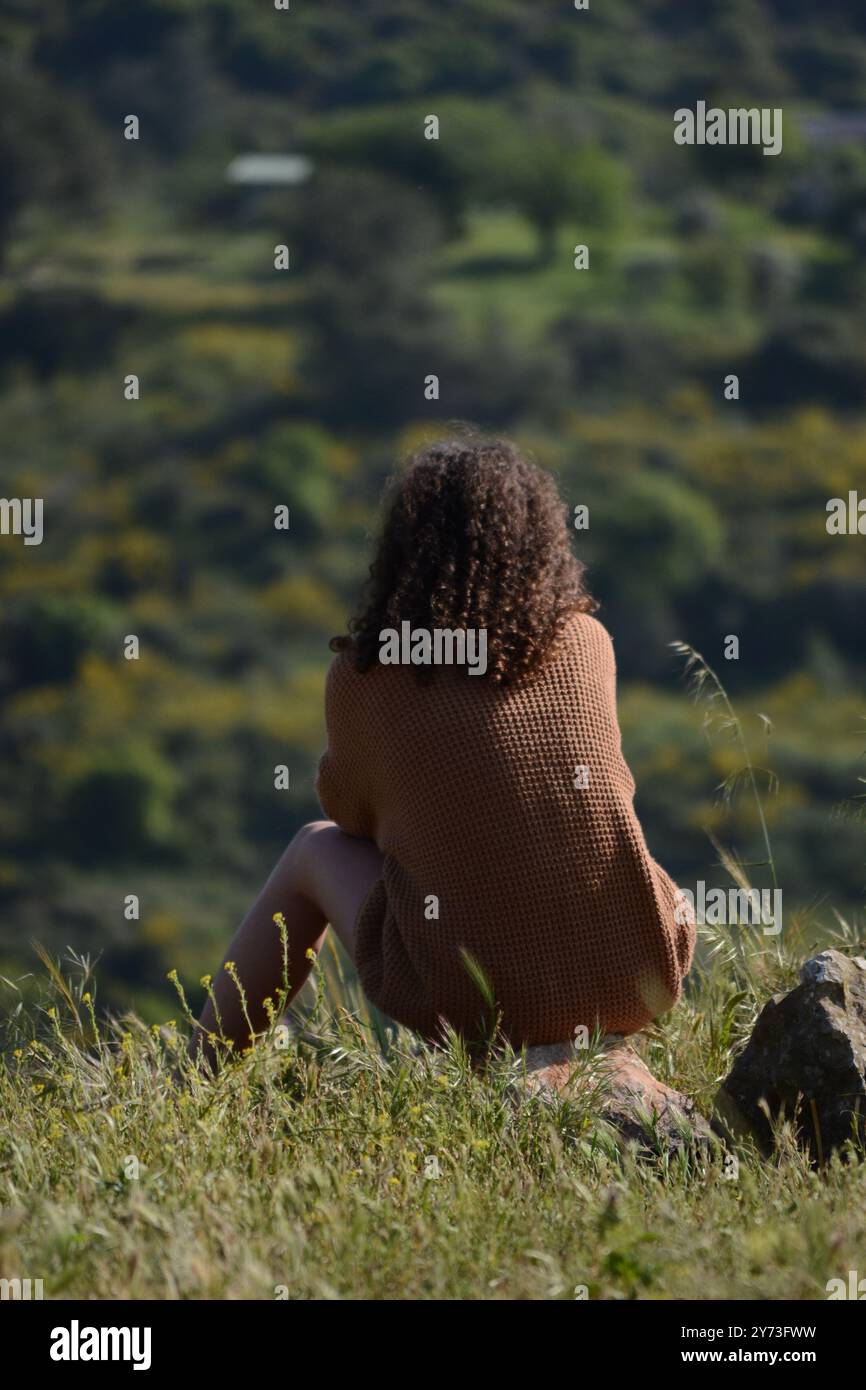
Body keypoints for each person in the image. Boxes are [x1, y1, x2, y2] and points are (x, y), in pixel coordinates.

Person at [192, 436, 695, 1080]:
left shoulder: (366, 672)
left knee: (313, 848)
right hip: (640, 974)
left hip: (476, 1009)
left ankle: (196, 1081)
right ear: (541, 543)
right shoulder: (586, 641)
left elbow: (349, 813)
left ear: (403, 551)